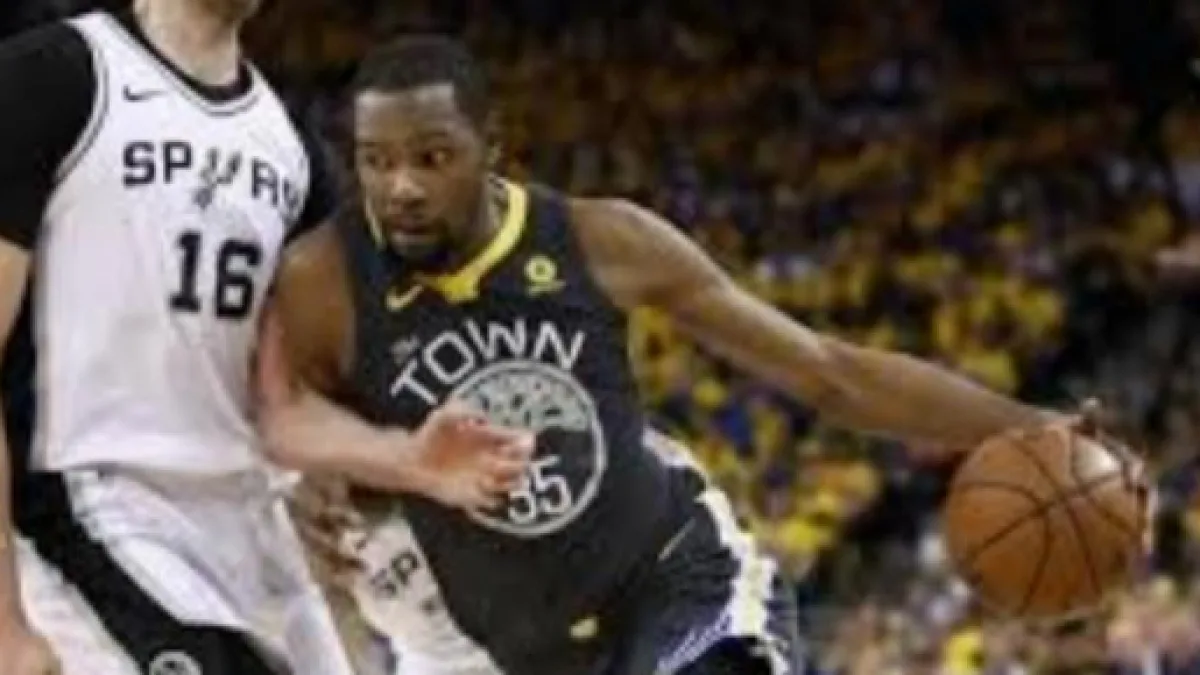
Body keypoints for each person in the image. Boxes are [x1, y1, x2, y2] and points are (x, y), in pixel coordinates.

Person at [261, 35, 1137, 675]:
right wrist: (310, 492)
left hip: (668, 582)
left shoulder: (602, 241)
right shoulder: (321, 284)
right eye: (375, 162)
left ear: (493, 145)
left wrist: (1026, 422)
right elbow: (292, 437)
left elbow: (828, 371)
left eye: (431, 157)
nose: (402, 188)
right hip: (482, 644)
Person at [0, 3, 533, 675]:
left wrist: (400, 461)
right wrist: (5, 621)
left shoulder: (292, 153)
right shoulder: (55, 74)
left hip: (252, 523)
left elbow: (286, 406)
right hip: (94, 513)